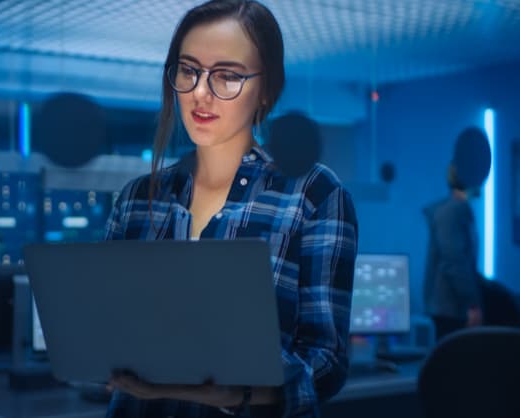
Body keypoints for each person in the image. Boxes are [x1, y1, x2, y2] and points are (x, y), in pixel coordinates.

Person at [104, 1, 358, 417]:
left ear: (267, 90)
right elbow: (104, 332)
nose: (200, 92)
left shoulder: (313, 193)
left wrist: (233, 394)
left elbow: (326, 363)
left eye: (227, 76)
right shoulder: (136, 199)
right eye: (189, 71)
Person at [423, 164, 483, 340]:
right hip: (451, 309)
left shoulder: (455, 209)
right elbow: (454, 261)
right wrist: (472, 304)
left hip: (450, 308)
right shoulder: (453, 211)